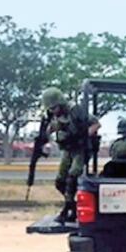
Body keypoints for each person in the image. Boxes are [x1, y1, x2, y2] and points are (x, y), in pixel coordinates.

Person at [41, 87, 100, 223]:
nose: (52, 111)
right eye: (50, 108)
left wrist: (84, 137)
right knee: (60, 181)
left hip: (80, 148)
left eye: (54, 107)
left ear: (60, 103)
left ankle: (68, 209)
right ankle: (72, 205)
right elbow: (51, 130)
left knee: (72, 176)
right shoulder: (54, 115)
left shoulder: (75, 111)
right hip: (68, 148)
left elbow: (96, 124)